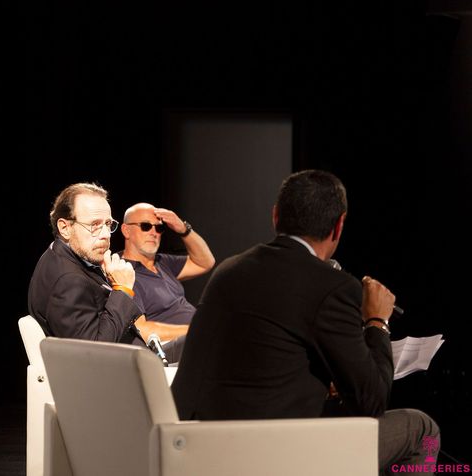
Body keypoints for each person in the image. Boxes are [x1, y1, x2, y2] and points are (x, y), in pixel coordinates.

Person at [171, 170, 439, 474]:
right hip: (280, 457)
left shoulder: (228, 271)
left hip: (206, 452)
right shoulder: (334, 286)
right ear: (338, 226)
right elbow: (371, 402)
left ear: (275, 216)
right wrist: (377, 321)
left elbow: (264, 359)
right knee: (422, 429)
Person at [28, 183, 184, 362]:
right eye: (94, 225)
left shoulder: (64, 256)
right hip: (127, 371)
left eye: (108, 224)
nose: (106, 235)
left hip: (141, 356)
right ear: (65, 228)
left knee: (205, 335)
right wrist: (123, 290)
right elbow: (93, 354)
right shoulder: (68, 280)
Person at [120, 203, 215, 342]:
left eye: (159, 228)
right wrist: (197, 329)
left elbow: (206, 262)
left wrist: (183, 229)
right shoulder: (124, 272)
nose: (153, 233)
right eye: (146, 226)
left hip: (200, 336)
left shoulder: (162, 262)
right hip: (177, 345)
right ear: (126, 230)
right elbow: (142, 330)